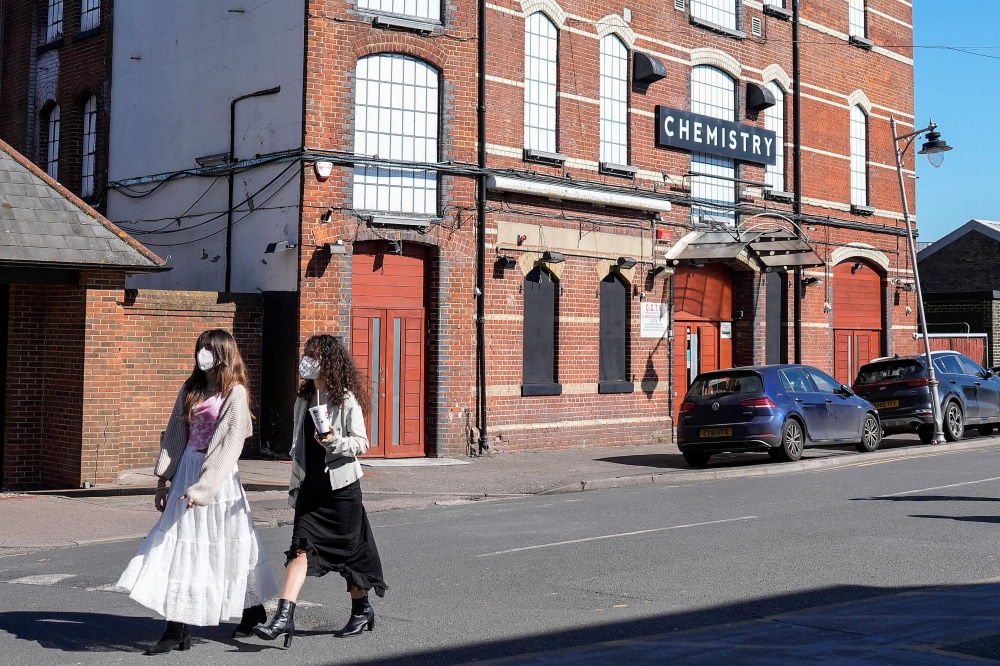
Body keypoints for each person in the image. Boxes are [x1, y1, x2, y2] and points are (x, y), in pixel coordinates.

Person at [117, 329, 278, 655]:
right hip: (187, 471)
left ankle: (250, 610)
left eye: (209, 350)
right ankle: (178, 628)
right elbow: (176, 435)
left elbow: (230, 447)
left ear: (223, 355)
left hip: (217, 480)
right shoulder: (191, 388)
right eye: (200, 349)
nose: (202, 355)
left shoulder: (236, 394)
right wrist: (163, 480)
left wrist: (203, 490)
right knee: (180, 549)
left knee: (227, 545)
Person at [255, 334, 387, 647]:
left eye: (313, 355)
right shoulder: (303, 400)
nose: (307, 360)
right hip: (310, 490)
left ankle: (362, 609)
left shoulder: (345, 400)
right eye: (306, 354)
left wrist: (335, 442)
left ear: (328, 362)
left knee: (350, 553)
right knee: (300, 549)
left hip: (342, 492)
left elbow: (362, 443)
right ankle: (283, 617)